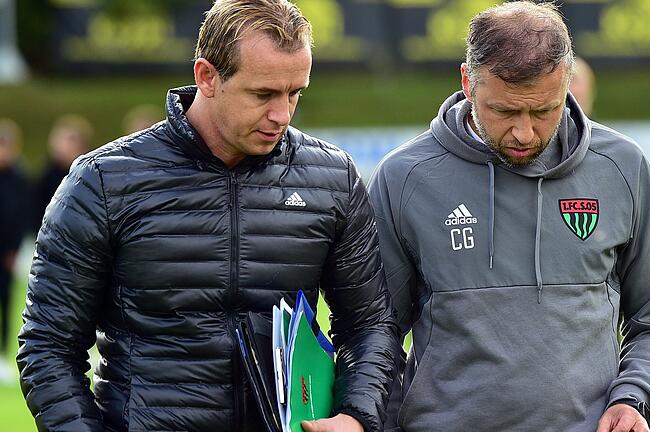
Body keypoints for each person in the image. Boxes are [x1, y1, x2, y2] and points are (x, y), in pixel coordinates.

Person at [17, 1, 399, 431]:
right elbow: (48, 346)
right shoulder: (104, 182)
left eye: (296, 93)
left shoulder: (333, 178)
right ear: (207, 76)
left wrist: (356, 417)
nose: (282, 114)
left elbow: (370, 326)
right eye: (263, 94)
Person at [368, 2, 650, 432]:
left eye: (543, 111)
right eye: (504, 111)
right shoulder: (404, 177)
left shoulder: (623, 168)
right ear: (467, 81)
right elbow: (375, 331)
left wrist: (635, 397)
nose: (524, 132)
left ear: (568, 84)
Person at [0, 118, 30, 383]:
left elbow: (21, 216)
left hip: (7, 254)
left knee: (7, 303)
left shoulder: (19, 178)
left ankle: (3, 355)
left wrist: (14, 249)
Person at [33, 114, 92, 232]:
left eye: (69, 140)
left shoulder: (91, 176)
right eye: (58, 138)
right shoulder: (46, 175)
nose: (60, 145)